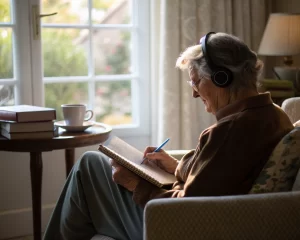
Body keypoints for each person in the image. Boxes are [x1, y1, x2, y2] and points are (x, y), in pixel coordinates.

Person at [44, 32, 294, 240]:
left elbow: (189, 211)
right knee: (93, 174)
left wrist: (135, 184)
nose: (195, 93)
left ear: (221, 78)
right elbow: (218, 176)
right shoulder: (274, 115)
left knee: (89, 166)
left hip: (171, 225)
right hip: (194, 213)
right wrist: (176, 166)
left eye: (196, 82)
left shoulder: (230, 131)